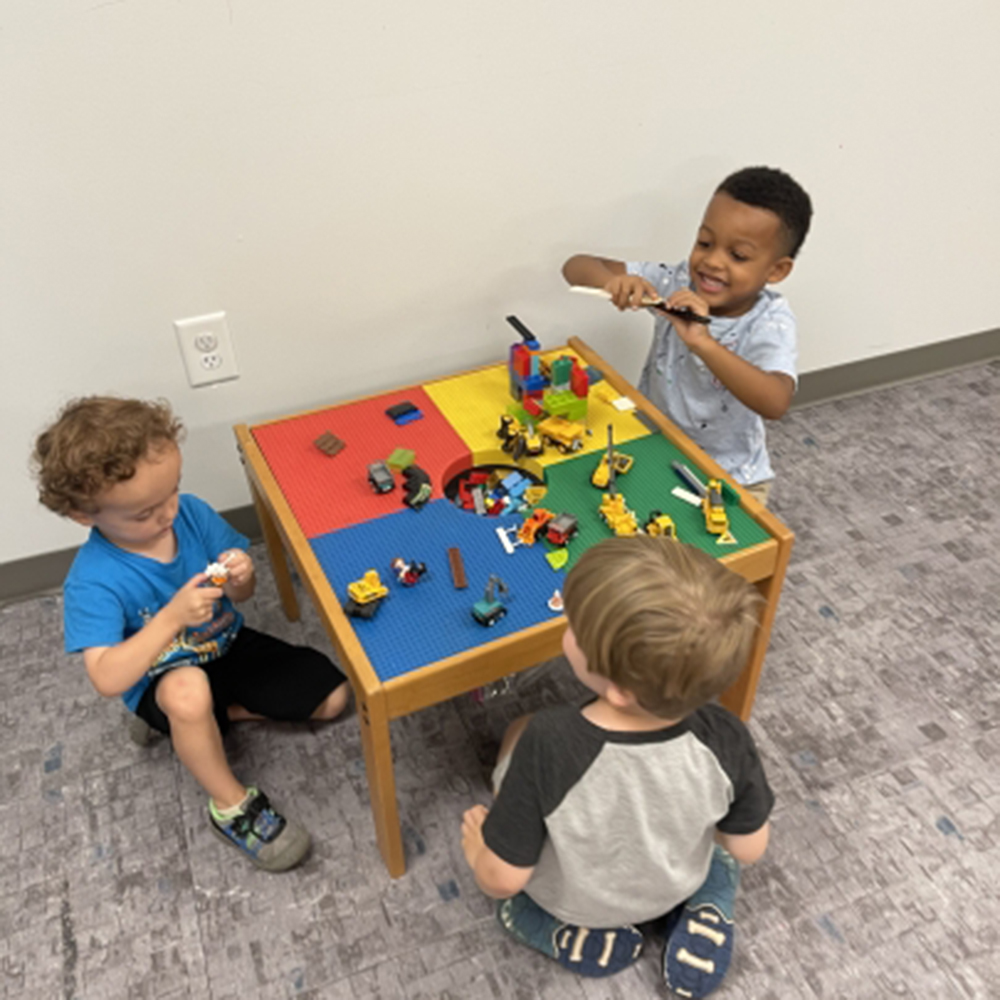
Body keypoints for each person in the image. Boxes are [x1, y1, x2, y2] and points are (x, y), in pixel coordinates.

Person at [33, 397, 351, 872]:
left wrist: (242, 576)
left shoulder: (192, 514)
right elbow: (105, 677)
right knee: (187, 692)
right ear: (84, 515)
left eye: (172, 492)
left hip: (225, 644)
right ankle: (230, 806)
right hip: (162, 679)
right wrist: (171, 618)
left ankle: (202, 724)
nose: (166, 514)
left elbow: (242, 597)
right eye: (143, 513)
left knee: (334, 698)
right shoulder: (92, 580)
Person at [460, 536, 773, 996]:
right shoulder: (726, 734)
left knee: (516, 736)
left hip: (578, 900)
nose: (569, 626)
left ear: (621, 691)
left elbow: (502, 879)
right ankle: (705, 903)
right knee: (723, 862)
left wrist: (476, 851)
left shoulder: (548, 740)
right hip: (674, 883)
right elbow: (748, 848)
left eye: (575, 627)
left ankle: (562, 930)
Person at [563, 165, 812, 506]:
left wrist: (703, 342)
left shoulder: (769, 321)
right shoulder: (676, 283)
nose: (711, 261)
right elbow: (575, 266)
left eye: (737, 255)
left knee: (715, 556)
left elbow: (775, 401)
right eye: (705, 242)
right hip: (654, 447)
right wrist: (612, 283)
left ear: (777, 270)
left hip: (731, 478)